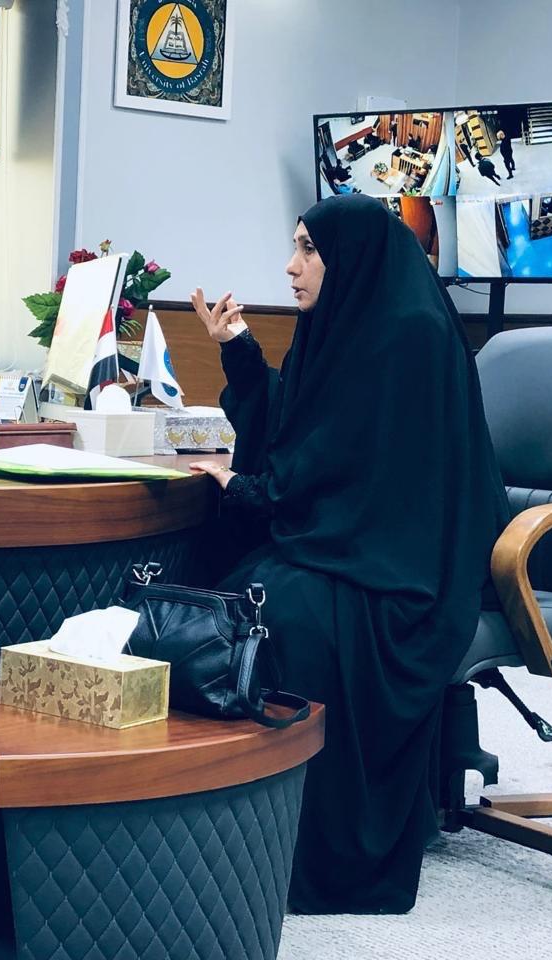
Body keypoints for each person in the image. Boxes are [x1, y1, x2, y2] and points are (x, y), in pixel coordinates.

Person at [187, 193, 510, 914]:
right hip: (351, 540)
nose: (291, 265)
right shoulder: (344, 323)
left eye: (308, 249)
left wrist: (252, 490)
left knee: (281, 622)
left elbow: (362, 472)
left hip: (402, 567)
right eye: (296, 246)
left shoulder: (411, 336)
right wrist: (239, 348)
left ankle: (309, 854)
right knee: (229, 596)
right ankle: (232, 836)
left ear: (352, 258)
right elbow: (304, 431)